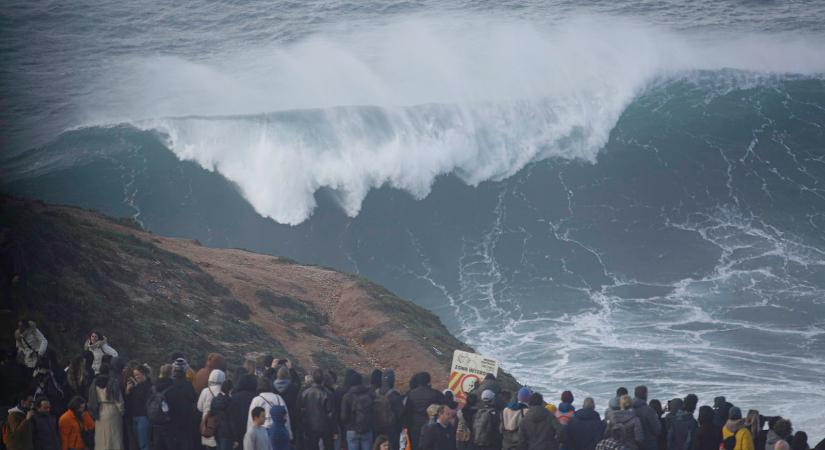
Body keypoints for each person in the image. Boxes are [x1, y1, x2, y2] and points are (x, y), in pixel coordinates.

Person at [404, 372, 445, 450]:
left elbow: (407, 412)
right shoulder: (436, 394)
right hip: (431, 425)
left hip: (415, 426)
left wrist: (407, 427)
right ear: (429, 381)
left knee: (415, 446)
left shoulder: (411, 394)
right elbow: (443, 408)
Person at [88, 363, 125, 450]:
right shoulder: (113, 382)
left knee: (101, 437)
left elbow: (91, 399)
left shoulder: (94, 383)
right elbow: (118, 399)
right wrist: (122, 411)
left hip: (100, 410)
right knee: (115, 437)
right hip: (113, 410)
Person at [164, 358, 198, 450]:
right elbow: (194, 399)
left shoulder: (168, 384)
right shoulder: (188, 385)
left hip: (171, 420)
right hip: (186, 421)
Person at [300, 368, 336, 450]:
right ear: (323, 379)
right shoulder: (328, 393)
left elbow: (302, 411)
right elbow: (330, 413)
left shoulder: (305, 393)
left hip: (310, 426)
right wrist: (334, 429)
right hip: (325, 426)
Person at [247, 377, 293, 442]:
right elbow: (285, 416)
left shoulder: (256, 400)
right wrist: (289, 433)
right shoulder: (278, 398)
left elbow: (251, 419)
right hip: (278, 432)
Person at [341, 373, 374, 450]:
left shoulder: (346, 396)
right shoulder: (369, 394)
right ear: (361, 382)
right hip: (367, 429)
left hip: (352, 430)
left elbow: (343, 417)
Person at [375, 369, 404, 450]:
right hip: (392, 429)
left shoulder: (375, 393)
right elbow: (401, 413)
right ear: (392, 379)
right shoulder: (395, 394)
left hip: (377, 428)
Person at [197, 369, 226, 449]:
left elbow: (199, 408)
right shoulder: (225, 392)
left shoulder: (205, 391)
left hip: (208, 426)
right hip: (221, 428)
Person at [125, 364, 152, 450]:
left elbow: (145, 399)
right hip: (134, 416)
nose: (136, 377)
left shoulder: (148, 385)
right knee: (137, 442)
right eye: (135, 375)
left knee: (144, 443)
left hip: (143, 417)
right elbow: (129, 401)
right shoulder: (135, 386)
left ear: (143, 374)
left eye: (138, 374)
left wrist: (137, 387)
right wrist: (128, 391)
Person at [229, 374, 258, 447]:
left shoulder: (234, 396)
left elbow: (231, 416)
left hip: (238, 431)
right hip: (252, 429)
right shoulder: (256, 396)